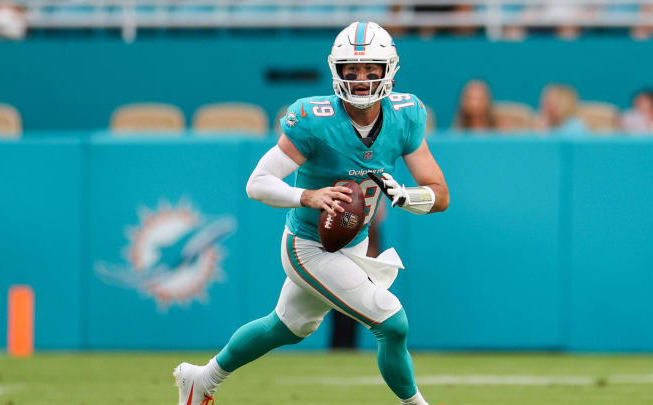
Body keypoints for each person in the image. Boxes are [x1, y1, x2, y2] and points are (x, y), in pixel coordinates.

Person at [172, 21, 450, 405]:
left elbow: (439, 194)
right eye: (353, 70)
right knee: (392, 321)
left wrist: (404, 196)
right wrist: (308, 196)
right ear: (337, 71)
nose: (362, 79)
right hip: (308, 246)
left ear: (389, 71)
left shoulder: (406, 114)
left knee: (285, 327)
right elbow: (258, 181)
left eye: (371, 69)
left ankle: (201, 379)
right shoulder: (314, 118)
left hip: (352, 243)